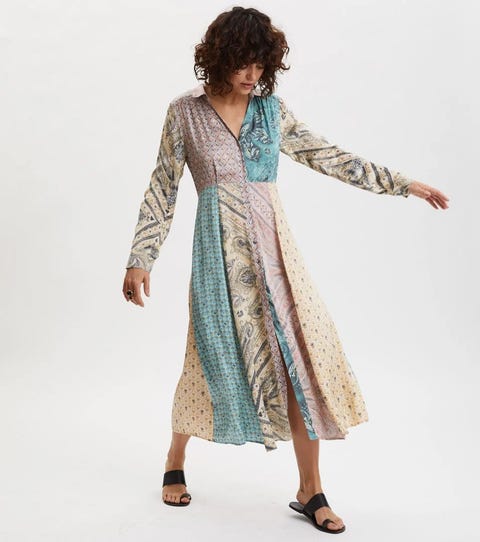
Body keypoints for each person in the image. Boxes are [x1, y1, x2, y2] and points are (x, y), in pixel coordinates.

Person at [122, 6, 449, 533]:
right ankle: (175, 458)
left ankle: (309, 489)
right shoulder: (184, 113)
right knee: (206, 356)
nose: (252, 74)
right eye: (242, 62)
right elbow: (162, 188)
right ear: (219, 58)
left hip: (278, 260)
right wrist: (142, 257)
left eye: (260, 64)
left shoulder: (272, 112)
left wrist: (401, 183)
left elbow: (328, 156)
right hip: (217, 262)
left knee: (301, 359)